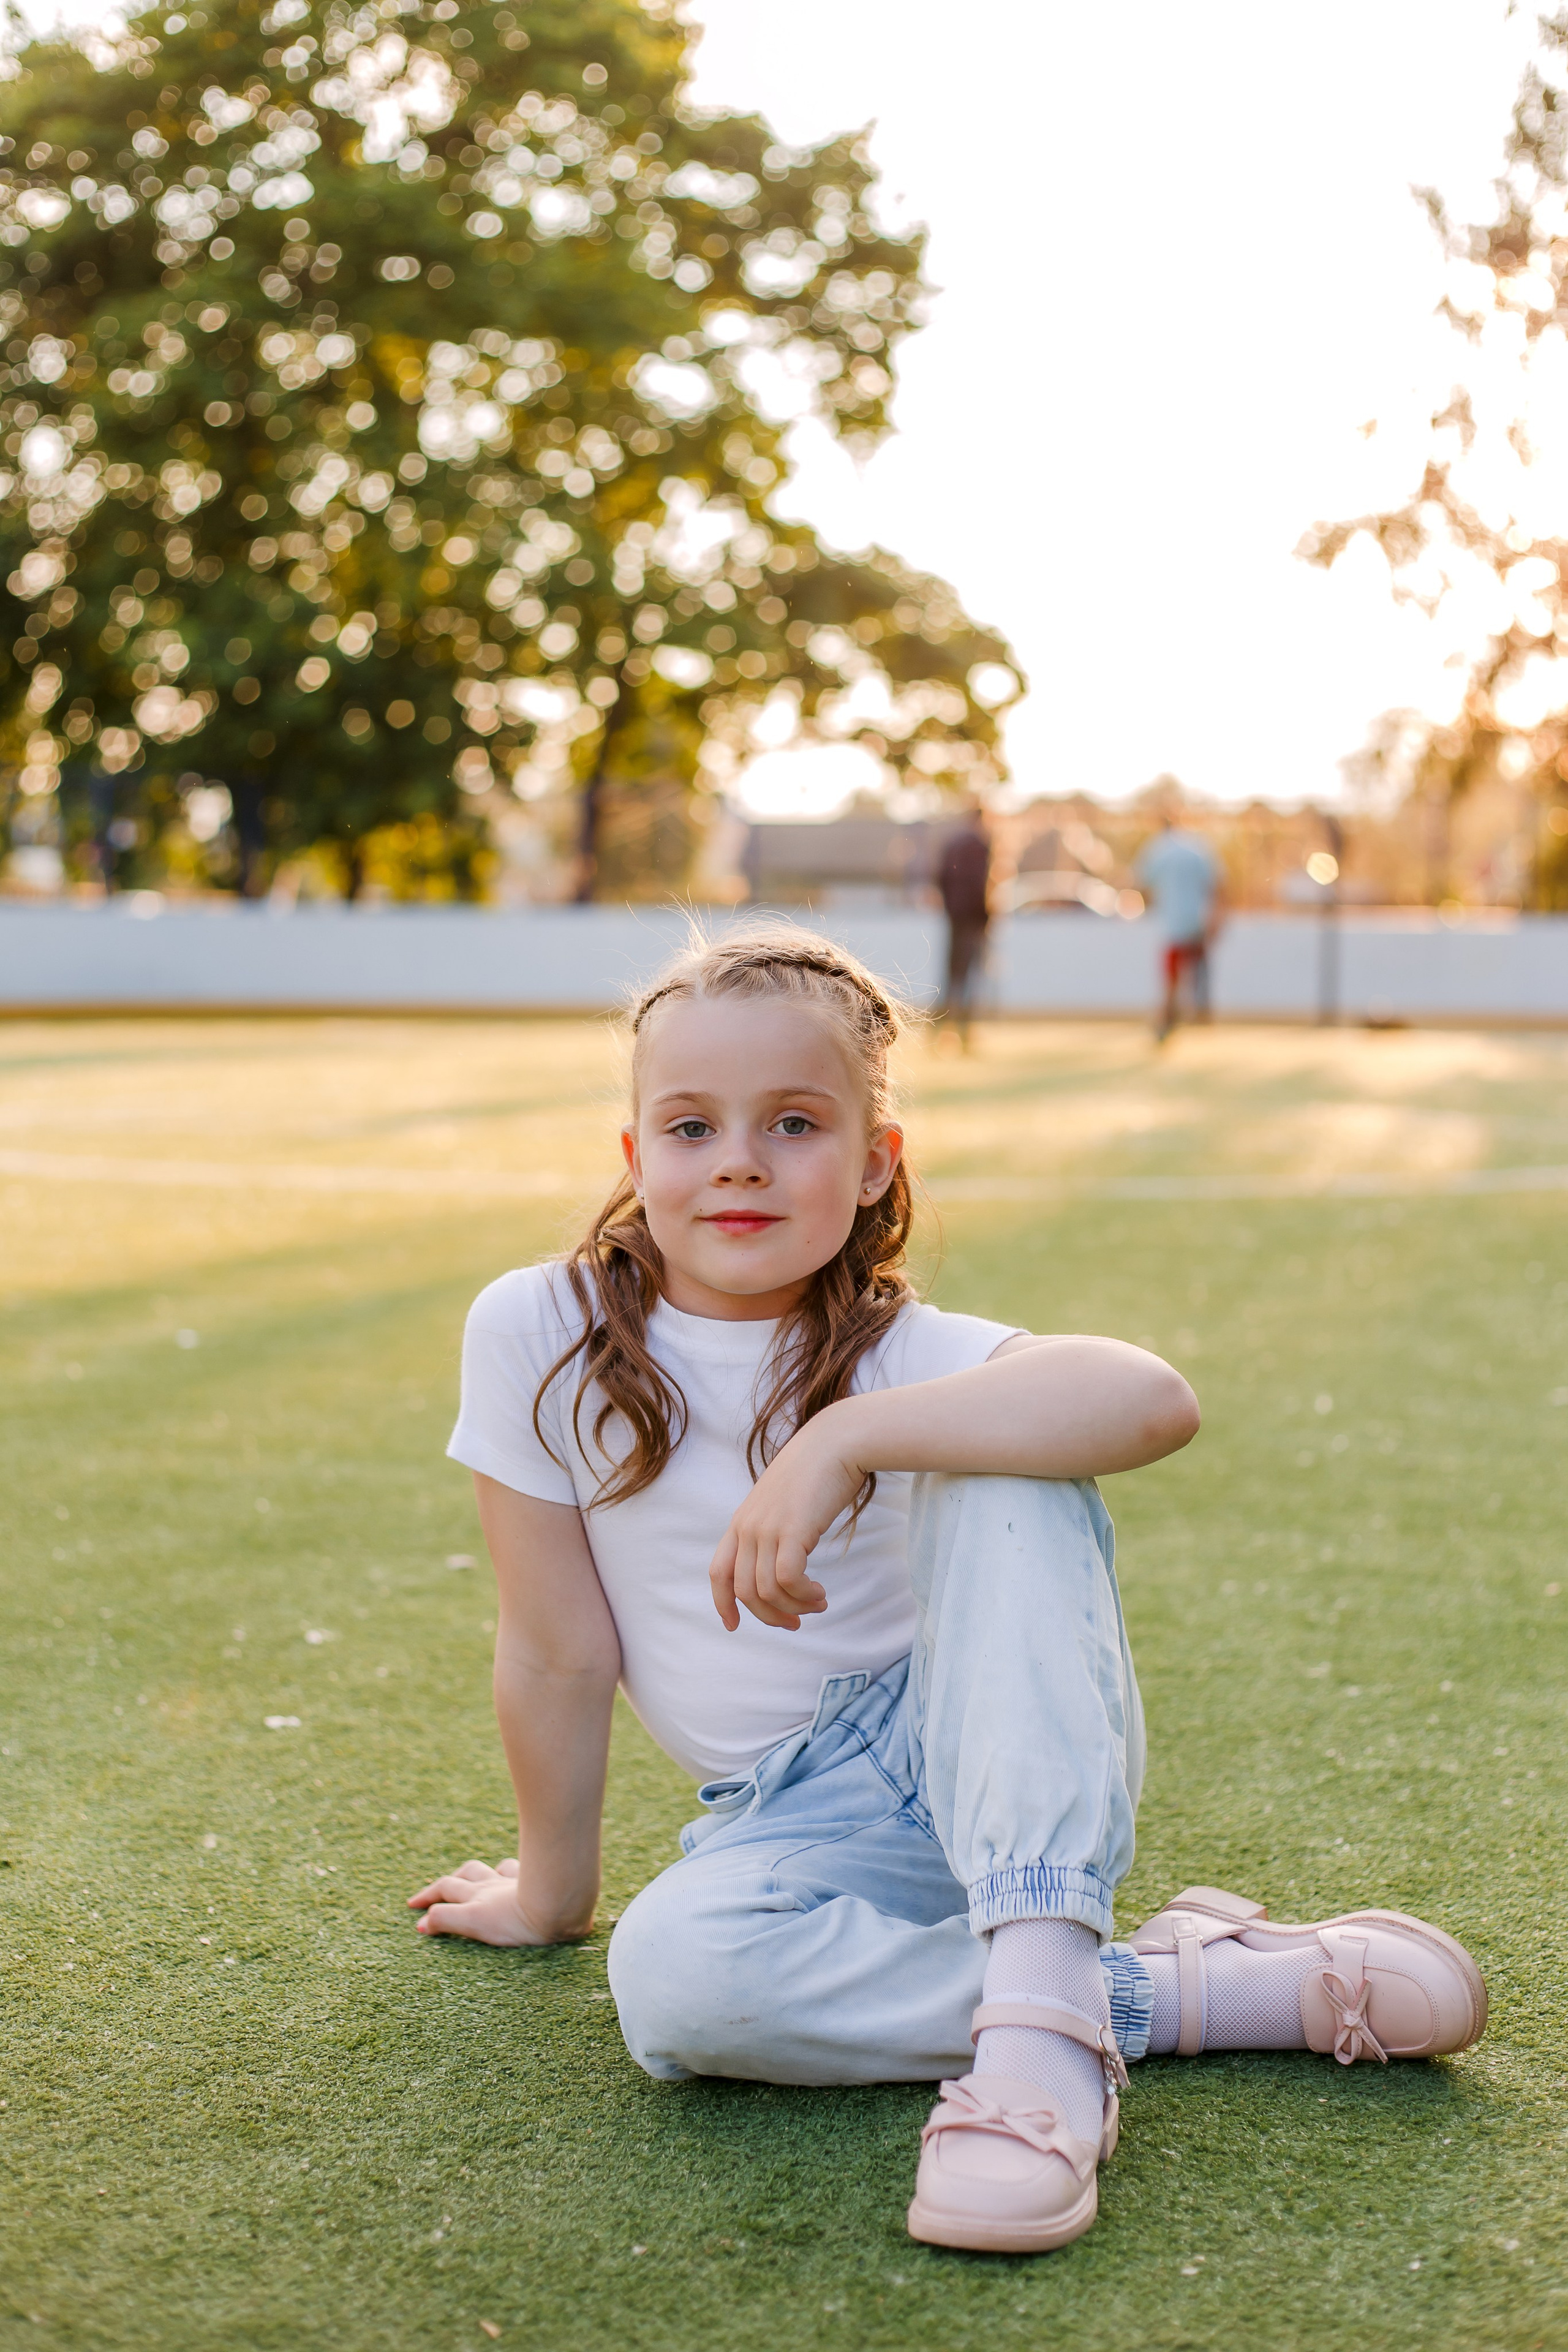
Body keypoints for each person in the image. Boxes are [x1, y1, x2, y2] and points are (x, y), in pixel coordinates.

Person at [412, 925, 1487, 2257]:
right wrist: (550, 1895)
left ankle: (1036, 2052)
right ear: (634, 1160)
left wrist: (848, 1436)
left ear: (873, 1165)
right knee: (675, 1988)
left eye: (793, 1123)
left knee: (1008, 1452)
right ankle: (1175, 1991)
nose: (738, 1159)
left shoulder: (910, 1352)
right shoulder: (536, 1330)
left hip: (986, 1760)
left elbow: (1151, 1398)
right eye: (689, 1127)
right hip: (789, 1818)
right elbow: (555, 1650)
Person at [1135, 814, 1223, 1041]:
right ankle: (1195, 1015)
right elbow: (1216, 884)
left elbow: (1142, 882)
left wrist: (1149, 906)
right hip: (1197, 921)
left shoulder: (1157, 849)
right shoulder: (1198, 847)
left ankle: (1166, 1023)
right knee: (1196, 971)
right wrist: (1216, 917)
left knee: (1172, 978)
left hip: (1172, 925)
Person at [935, 804, 990, 1042]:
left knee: (951, 975)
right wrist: (985, 916)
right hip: (973, 919)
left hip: (955, 918)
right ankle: (965, 1033)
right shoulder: (980, 844)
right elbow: (981, 884)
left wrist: (950, 908)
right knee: (969, 976)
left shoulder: (952, 843)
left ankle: (939, 1030)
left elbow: (940, 877)